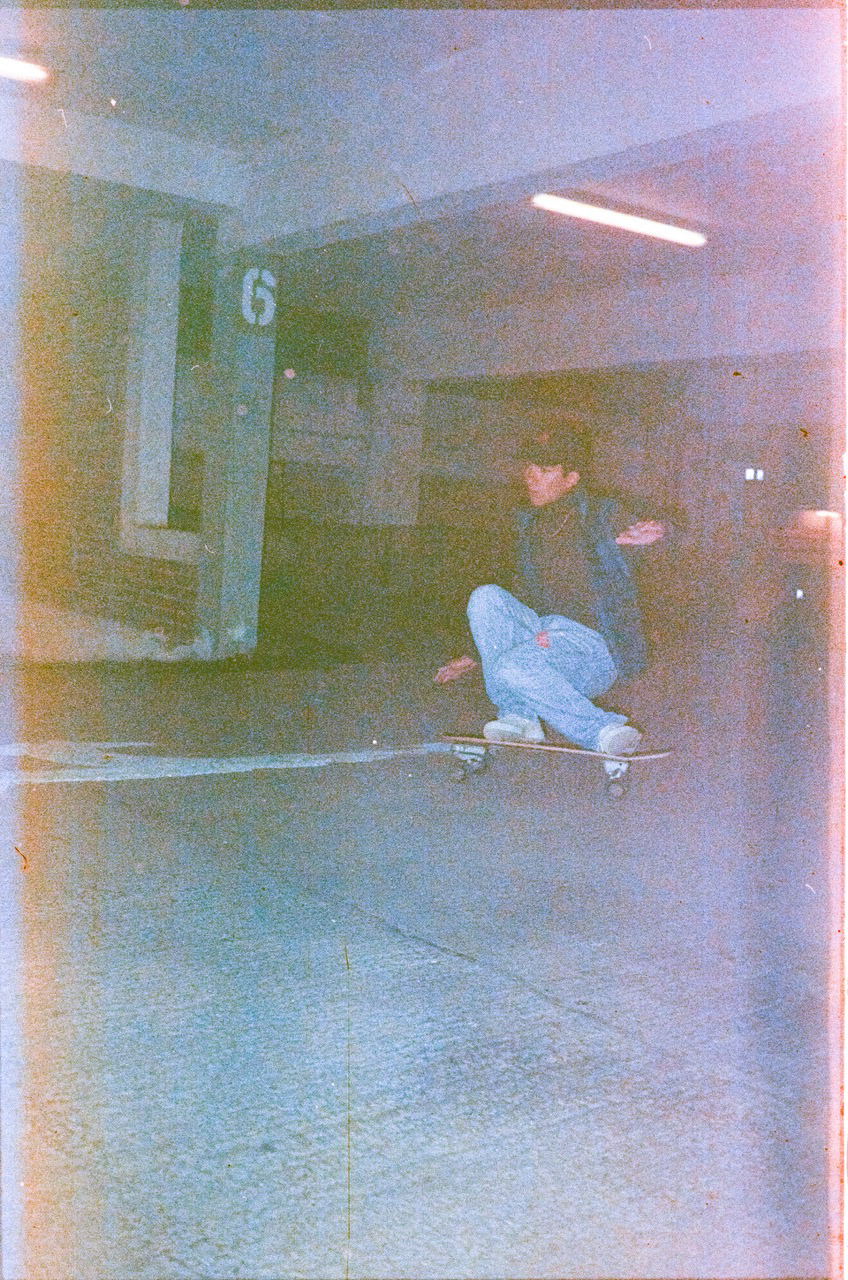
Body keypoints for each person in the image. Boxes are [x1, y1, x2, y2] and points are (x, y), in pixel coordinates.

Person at [434, 426, 667, 754]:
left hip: (593, 649)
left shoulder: (600, 514)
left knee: (510, 667)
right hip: (545, 637)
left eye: (544, 470)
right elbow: (520, 598)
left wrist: (663, 530)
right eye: (529, 468)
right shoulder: (527, 525)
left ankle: (602, 729)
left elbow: (663, 533)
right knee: (486, 596)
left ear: (571, 479)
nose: (530, 477)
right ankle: (520, 716)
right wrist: (474, 654)